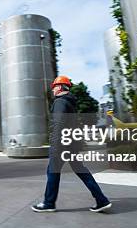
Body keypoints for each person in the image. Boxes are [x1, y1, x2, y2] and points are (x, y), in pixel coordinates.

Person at [32, 75, 112, 213]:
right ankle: (101, 200)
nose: (53, 90)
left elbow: (58, 124)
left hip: (62, 144)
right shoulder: (70, 102)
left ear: (61, 87)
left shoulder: (60, 102)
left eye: (54, 87)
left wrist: (56, 146)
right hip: (71, 144)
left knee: (52, 172)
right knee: (82, 172)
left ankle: (49, 203)